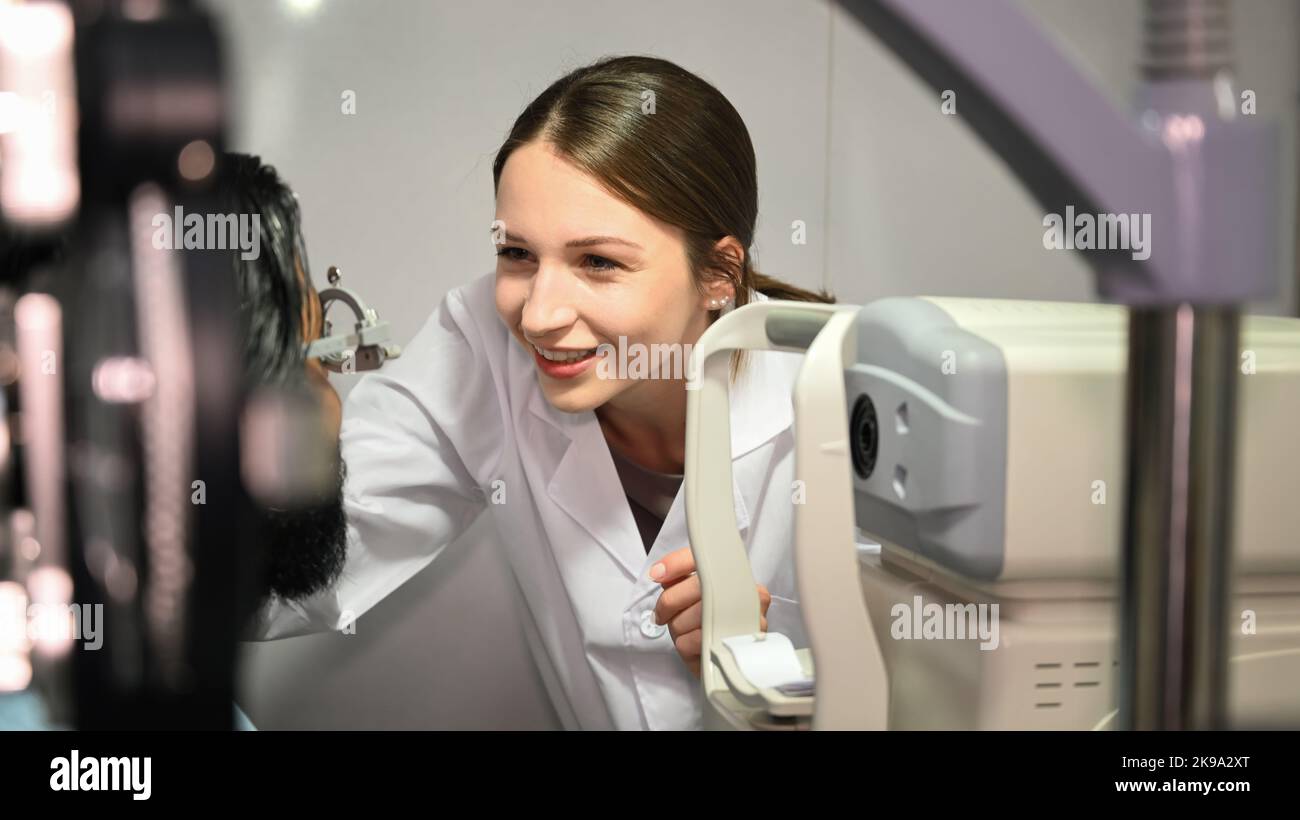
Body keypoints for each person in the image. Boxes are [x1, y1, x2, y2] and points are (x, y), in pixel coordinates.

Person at [247, 55, 834, 731]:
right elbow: (307, 561)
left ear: (720, 274)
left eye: (598, 261)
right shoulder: (483, 345)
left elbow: (920, 686)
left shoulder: (840, 396)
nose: (538, 316)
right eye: (517, 254)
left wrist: (769, 679)